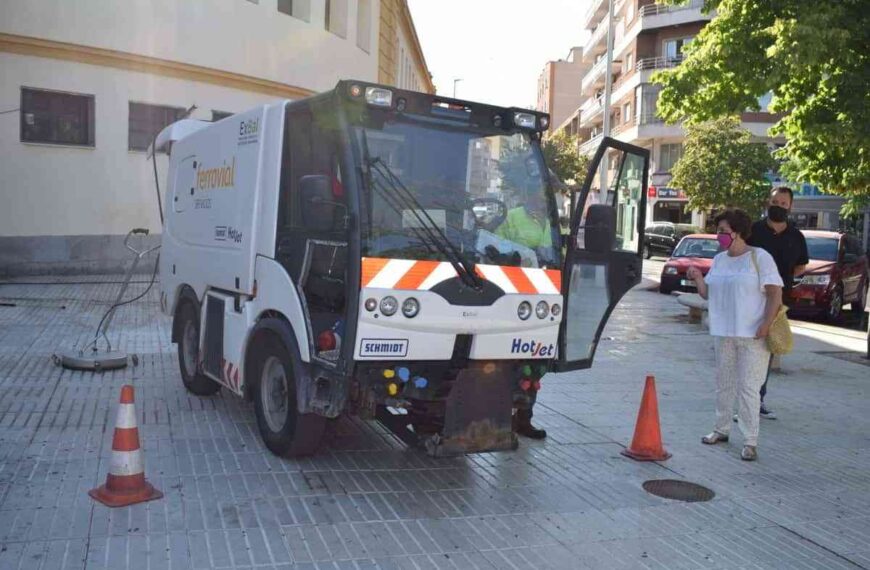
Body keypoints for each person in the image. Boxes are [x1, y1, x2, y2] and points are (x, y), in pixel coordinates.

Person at [687, 209, 783, 461]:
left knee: (749, 388)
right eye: (717, 230)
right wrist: (698, 277)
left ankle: (750, 440)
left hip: (752, 335)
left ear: (738, 232)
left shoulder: (760, 258)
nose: (719, 236)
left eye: (723, 231)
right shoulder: (719, 260)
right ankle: (721, 429)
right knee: (724, 384)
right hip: (723, 332)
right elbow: (708, 294)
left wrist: (766, 323)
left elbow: (775, 293)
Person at [495, 186, 555, 440]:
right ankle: (502, 418)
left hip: (540, 300)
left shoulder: (549, 223)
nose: (544, 197)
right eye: (541, 192)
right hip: (513, 300)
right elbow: (494, 248)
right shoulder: (512, 217)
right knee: (513, 364)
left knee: (534, 366)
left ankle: (523, 419)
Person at [746, 186, 808, 419]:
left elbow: (801, 265)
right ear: (768, 202)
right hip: (750, 297)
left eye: (784, 204)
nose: (779, 206)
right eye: (775, 202)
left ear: (790, 207)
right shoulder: (753, 230)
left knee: (767, 351)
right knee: (746, 347)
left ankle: (758, 399)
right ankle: (743, 398)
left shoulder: (796, 236)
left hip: (778, 301)